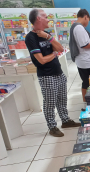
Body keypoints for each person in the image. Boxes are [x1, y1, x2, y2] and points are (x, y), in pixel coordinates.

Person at [25, 9, 81, 137]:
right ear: (38, 19)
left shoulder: (46, 33)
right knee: (50, 102)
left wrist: (48, 37)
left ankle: (65, 120)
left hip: (58, 72)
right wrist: (54, 54)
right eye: (45, 16)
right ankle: (52, 126)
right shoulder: (30, 38)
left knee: (62, 99)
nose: (48, 18)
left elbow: (61, 48)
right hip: (46, 75)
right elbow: (41, 60)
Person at [69, 9, 90, 106]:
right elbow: (84, 45)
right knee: (87, 82)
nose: (87, 23)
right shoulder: (79, 28)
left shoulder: (76, 27)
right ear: (85, 17)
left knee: (87, 81)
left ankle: (88, 100)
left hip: (84, 60)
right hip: (84, 61)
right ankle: (86, 101)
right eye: (88, 20)